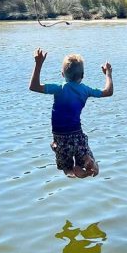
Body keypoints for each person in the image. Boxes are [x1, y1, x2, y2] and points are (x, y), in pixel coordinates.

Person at [29, 48, 113, 178]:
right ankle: (88, 162)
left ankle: (76, 172)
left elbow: (33, 86)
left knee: (66, 169)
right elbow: (108, 91)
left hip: (60, 137)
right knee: (85, 156)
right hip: (77, 134)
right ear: (82, 75)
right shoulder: (85, 90)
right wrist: (108, 73)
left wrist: (38, 63)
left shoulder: (59, 88)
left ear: (62, 74)